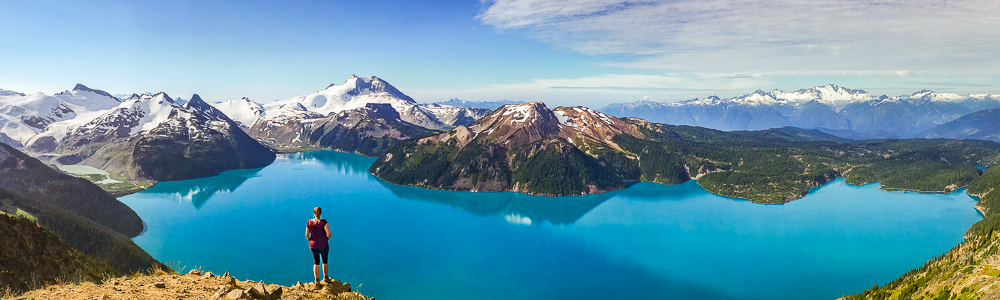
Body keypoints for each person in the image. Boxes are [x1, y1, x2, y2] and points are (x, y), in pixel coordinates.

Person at [306, 206, 332, 284]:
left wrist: (311, 241)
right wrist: (326, 240)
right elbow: (329, 234)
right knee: (324, 261)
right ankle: (326, 278)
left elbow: (306, 235)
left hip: (313, 245)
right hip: (323, 244)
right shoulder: (323, 222)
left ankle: (317, 281)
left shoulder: (309, 222)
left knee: (316, 262)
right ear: (321, 213)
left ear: (314, 213)